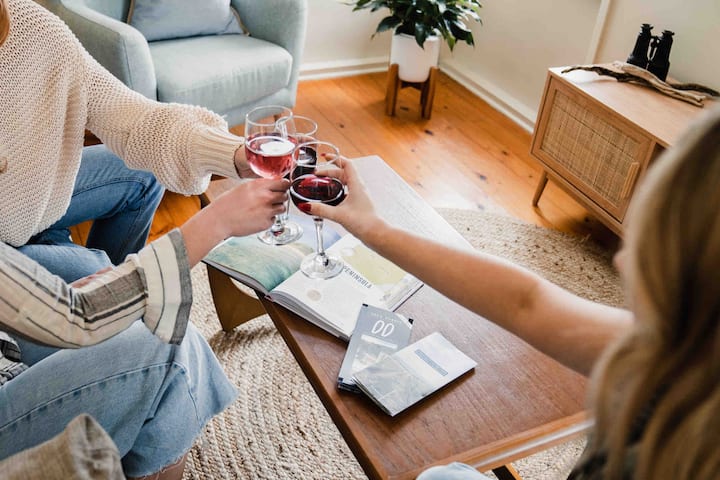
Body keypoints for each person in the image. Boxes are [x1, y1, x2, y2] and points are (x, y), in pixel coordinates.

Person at [306, 106, 720, 478]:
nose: (622, 264)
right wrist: (376, 231)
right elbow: (526, 301)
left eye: (655, 254)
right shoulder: (677, 350)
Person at [0, 0, 285, 478]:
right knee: (165, 342)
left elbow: (134, 118)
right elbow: (76, 316)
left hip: (21, 244)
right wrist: (214, 224)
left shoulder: (31, 27)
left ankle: (123, 379)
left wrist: (235, 154)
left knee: (139, 185)